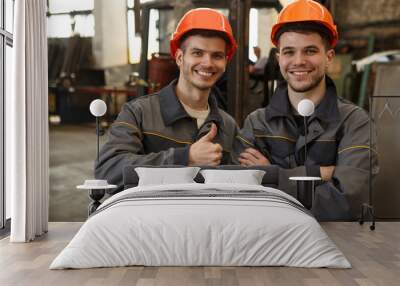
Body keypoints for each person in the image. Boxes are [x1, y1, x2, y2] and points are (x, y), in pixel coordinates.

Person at [238, 0, 378, 220]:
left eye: (310, 51)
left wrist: (273, 174)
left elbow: (350, 201)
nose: (299, 61)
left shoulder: (354, 121)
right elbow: (242, 196)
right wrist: (321, 173)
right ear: (279, 58)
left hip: (336, 246)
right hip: (271, 244)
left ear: (329, 57)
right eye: (289, 52)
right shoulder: (256, 124)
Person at [95, 8, 242, 192]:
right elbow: (107, 172)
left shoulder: (228, 126)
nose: (208, 63)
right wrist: (185, 158)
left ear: (225, 62)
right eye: (197, 53)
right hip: (150, 219)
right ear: (180, 57)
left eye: (217, 56)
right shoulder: (139, 113)